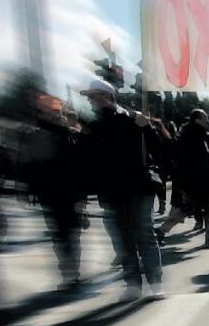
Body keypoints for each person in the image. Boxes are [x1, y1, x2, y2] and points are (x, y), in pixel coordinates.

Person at [80, 78, 164, 300]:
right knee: (122, 239)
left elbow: (160, 149)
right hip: (111, 191)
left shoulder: (133, 119)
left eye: (93, 96)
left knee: (144, 233)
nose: (90, 101)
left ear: (106, 96)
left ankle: (155, 283)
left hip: (139, 186)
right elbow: (85, 162)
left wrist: (148, 128)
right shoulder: (92, 127)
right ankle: (133, 284)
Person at [21, 94, 87, 290]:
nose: (53, 115)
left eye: (56, 112)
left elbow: (80, 166)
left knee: (70, 234)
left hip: (71, 192)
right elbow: (30, 165)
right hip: (49, 193)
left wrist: (82, 195)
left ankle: (72, 273)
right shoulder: (35, 135)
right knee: (60, 234)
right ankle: (68, 273)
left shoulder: (70, 134)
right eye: (48, 111)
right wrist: (30, 189)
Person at [154, 109, 209, 248]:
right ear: (197, 120)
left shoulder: (196, 134)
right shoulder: (191, 136)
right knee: (185, 210)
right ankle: (159, 232)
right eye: (205, 118)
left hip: (200, 180)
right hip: (195, 181)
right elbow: (188, 160)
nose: (208, 121)